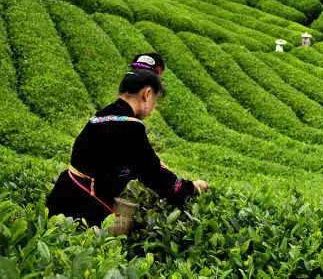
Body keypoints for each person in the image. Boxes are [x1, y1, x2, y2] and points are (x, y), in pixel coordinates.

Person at [47, 65, 209, 227]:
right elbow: (156, 177)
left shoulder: (105, 115)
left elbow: (114, 160)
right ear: (147, 94)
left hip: (63, 197)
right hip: (82, 207)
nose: (154, 107)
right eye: (156, 100)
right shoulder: (129, 127)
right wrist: (192, 188)